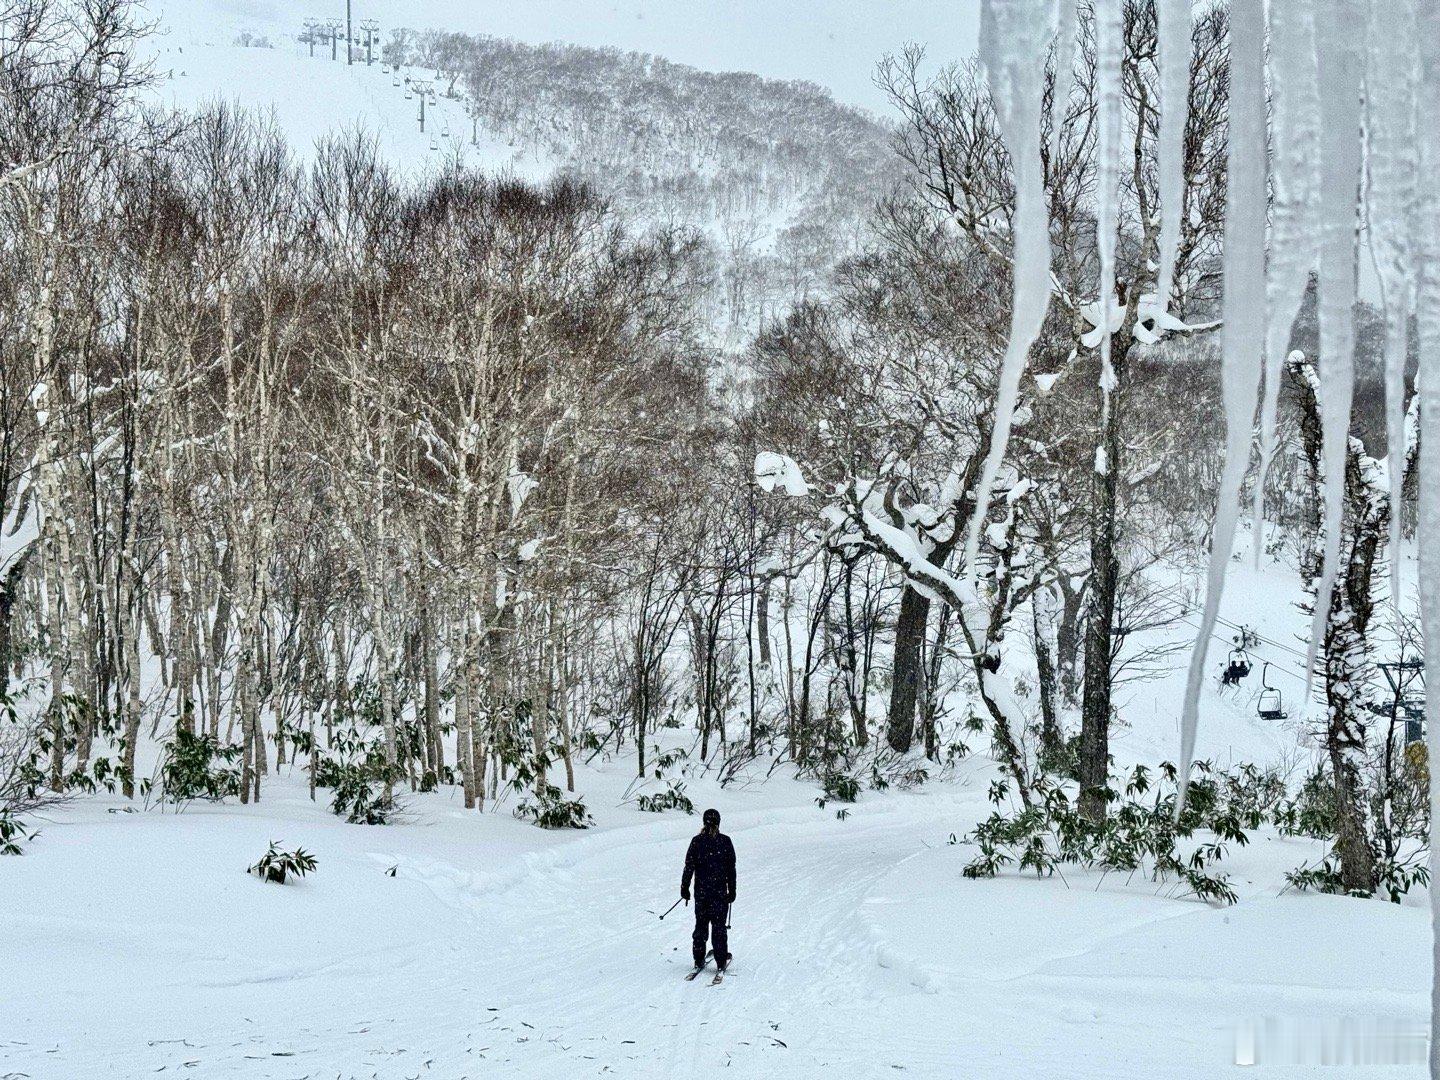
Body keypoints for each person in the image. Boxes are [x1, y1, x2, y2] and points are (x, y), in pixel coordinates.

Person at [681, 808, 735, 972]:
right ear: (718, 823)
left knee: (701, 926)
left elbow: (689, 866)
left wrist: (685, 887)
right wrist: (732, 891)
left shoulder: (697, 841)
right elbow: (731, 869)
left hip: (702, 894)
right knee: (718, 928)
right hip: (719, 895)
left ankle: (698, 959)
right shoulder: (725, 842)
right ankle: (720, 961)